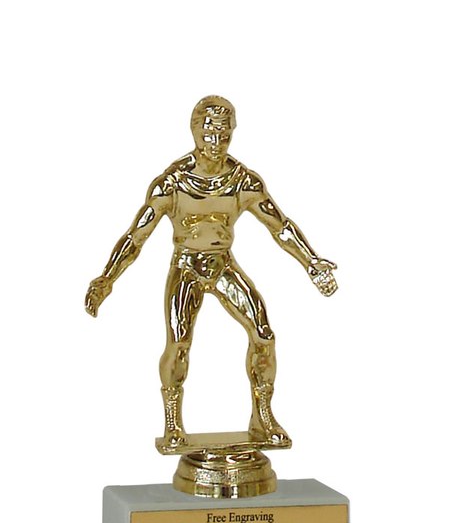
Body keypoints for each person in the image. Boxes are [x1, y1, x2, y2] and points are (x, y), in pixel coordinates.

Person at [85, 95, 337, 451]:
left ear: (232, 133)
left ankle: (262, 416)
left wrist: (312, 262)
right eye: (208, 134)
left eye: (223, 134)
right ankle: (173, 422)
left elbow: (280, 226)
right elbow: (135, 237)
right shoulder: (172, 183)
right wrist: (107, 279)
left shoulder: (242, 181)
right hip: (186, 266)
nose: (215, 143)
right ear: (194, 133)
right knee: (179, 343)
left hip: (222, 265)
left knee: (263, 335)